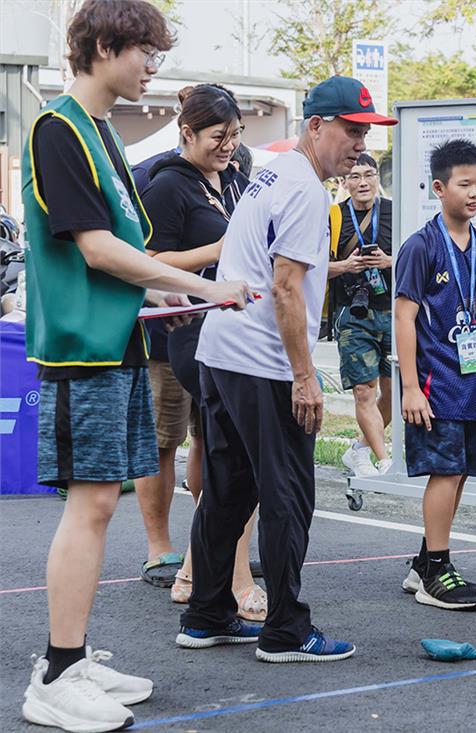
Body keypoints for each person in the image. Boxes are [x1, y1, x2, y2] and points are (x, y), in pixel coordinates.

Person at [19, 1, 250, 730]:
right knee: (87, 507)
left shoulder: (98, 132)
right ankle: (56, 674)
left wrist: (166, 293)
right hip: (81, 348)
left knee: (99, 504)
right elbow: (93, 248)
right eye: (146, 50)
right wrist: (204, 283)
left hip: (116, 340)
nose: (154, 64)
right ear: (107, 45)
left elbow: (124, 254)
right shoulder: (60, 129)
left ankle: (74, 657)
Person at [177, 75, 396, 661]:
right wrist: (305, 377)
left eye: (366, 132)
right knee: (288, 493)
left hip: (221, 352)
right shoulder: (303, 189)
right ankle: (286, 630)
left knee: (228, 489)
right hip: (261, 360)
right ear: (317, 126)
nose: (358, 144)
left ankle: (207, 614)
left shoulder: (272, 171)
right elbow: (286, 289)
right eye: (351, 130)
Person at [137, 83, 265, 621]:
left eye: (235, 134)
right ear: (187, 133)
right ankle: (177, 556)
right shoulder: (167, 186)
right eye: (219, 135)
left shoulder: (236, 177)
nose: (229, 145)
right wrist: (218, 250)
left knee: (214, 449)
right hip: (179, 335)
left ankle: (197, 567)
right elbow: (147, 261)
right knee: (181, 445)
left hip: (230, 331)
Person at [394, 139, 476, 610]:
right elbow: (403, 318)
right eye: (465, 184)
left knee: (461, 472)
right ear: (440, 188)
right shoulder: (420, 247)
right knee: (444, 472)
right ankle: (437, 571)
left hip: (475, 383)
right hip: (434, 383)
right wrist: (408, 387)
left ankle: (425, 562)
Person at [327, 153, 394, 477]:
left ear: (377, 178)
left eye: (368, 175)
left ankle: (360, 450)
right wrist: (345, 266)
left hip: (394, 312)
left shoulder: (396, 212)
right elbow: (310, 267)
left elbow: (421, 261)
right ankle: (384, 461)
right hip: (352, 314)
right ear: (344, 182)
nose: (363, 182)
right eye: (354, 176)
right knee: (364, 390)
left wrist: (389, 262)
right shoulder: (333, 217)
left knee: (394, 390)